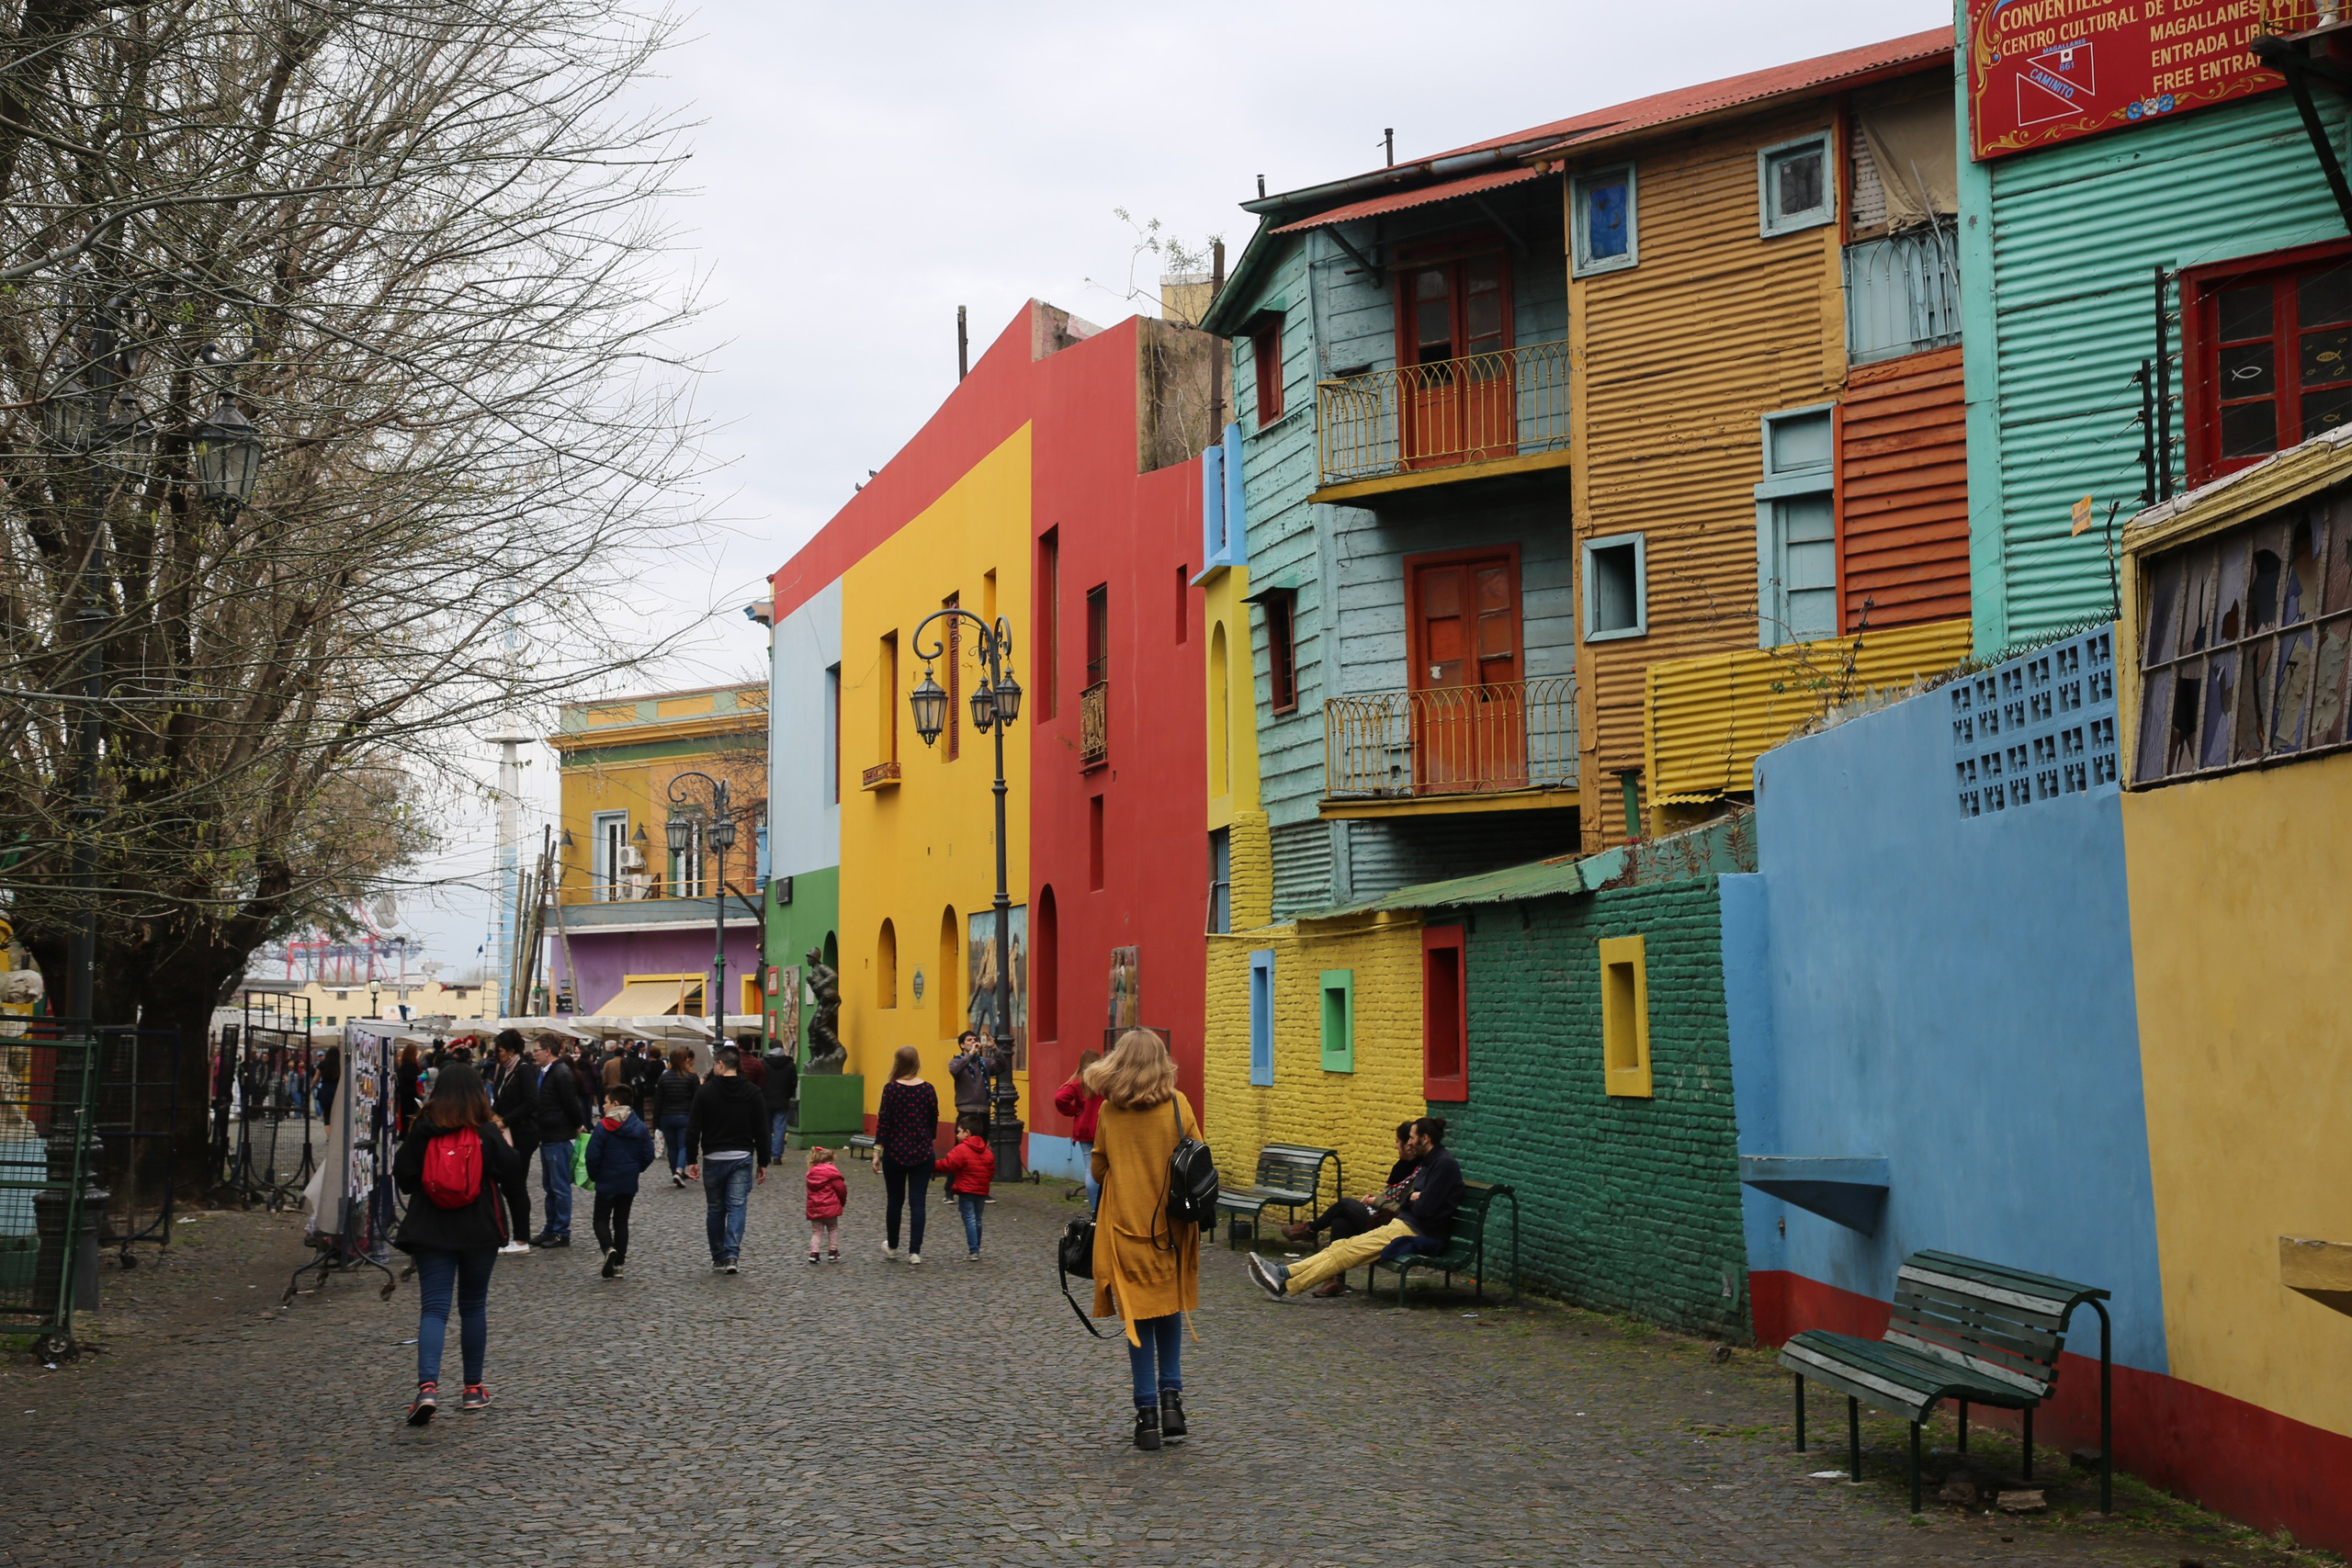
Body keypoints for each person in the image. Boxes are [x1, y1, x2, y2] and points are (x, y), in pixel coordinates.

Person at [1087, 1028, 1201, 1451]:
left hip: (1125, 1229)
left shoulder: (1109, 1112)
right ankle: (1173, 1404)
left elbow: (1098, 1170)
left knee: (1138, 1318)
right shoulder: (1178, 1105)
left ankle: (1146, 1417)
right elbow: (1198, 1157)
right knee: (1168, 1308)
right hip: (1170, 1231)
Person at [390, 1062, 519, 1424]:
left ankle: (427, 1388)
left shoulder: (424, 1130)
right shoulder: (485, 1131)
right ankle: (473, 1390)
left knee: (434, 1309)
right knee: (473, 1307)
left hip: (431, 1229)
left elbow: (403, 1177)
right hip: (479, 1228)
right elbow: (512, 1169)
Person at [1249, 1117, 1464, 1302]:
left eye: (1412, 1137)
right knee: (1339, 1246)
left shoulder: (1443, 1165)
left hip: (1416, 1231)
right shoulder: (1430, 1162)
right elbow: (1411, 1200)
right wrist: (1413, 1199)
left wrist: (1415, 1199)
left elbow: (1425, 1209)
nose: (1409, 1142)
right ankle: (1283, 1272)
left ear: (1425, 1139)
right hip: (1404, 1225)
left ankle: (1285, 1286)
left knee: (1346, 1253)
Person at [1280, 1120, 1423, 1297]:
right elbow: (1391, 1195)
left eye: (1398, 1141)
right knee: (1341, 1221)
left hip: (1393, 1225)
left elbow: (1402, 1208)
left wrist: (1375, 1201)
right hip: (1382, 1217)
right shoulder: (1402, 1167)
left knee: (1345, 1204)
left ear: (1409, 1144)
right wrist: (1377, 1199)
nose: (1396, 1146)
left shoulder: (1421, 1173)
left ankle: (1310, 1230)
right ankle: (1334, 1281)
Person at [684, 1044, 769, 1273]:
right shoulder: (752, 1092)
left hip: (713, 1157)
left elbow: (693, 1128)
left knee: (715, 1208)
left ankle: (718, 1255)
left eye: (714, 1064)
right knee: (737, 1207)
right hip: (741, 1156)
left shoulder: (705, 1092)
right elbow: (762, 1128)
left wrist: (691, 1159)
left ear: (720, 1065)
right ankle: (732, 1255)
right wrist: (764, 1161)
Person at [871, 1045, 938, 1264]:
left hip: (896, 1152)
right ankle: (915, 1252)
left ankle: (892, 1246)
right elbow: (933, 1120)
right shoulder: (928, 1089)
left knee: (895, 1201)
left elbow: (884, 1122)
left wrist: (877, 1151)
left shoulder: (891, 1089)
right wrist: (927, 1139)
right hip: (922, 1151)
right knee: (918, 1202)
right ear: (916, 1062)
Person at [583, 1083, 657, 1279]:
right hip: (628, 1182)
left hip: (606, 1181)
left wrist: (594, 1175)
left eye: (606, 1103)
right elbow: (648, 1154)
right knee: (621, 1221)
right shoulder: (639, 1126)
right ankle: (619, 1264)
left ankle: (608, 1248)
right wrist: (635, 1169)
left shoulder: (603, 1127)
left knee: (600, 1219)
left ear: (615, 1103)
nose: (603, 1107)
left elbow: (592, 1156)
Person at [528, 1037, 585, 1247]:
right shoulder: (546, 1072)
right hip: (547, 1135)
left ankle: (561, 1231)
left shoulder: (560, 1073)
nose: (534, 1053)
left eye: (537, 1050)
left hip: (558, 1135)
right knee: (550, 1186)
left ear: (549, 1051)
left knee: (559, 1187)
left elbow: (571, 1103)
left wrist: (577, 1125)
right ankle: (550, 1228)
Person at [487, 1033, 537, 1257]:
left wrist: (505, 1120)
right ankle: (511, 1236)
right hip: (508, 1133)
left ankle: (521, 1238)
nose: (495, 1054)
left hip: (522, 1134)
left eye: (498, 1050)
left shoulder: (523, 1069)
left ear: (510, 1050)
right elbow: (499, 1099)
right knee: (508, 1185)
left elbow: (531, 1102)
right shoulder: (504, 1070)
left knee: (516, 1185)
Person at [936, 1111, 995, 1261]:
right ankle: (977, 1248)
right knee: (978, 1219)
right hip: (981, 1191)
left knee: (969, 1218)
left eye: (959, 1132)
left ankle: (973, 1250)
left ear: (967, 1133)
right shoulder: (987, 1152)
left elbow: (948, 1164)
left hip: (966, 1191)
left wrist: (931, 1166)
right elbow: (991, 1171)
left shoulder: (961, 1150)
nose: (957, 1135)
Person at [1051, 1049, 1103, 1208]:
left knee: (1090, 1169)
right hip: (1104, 1128)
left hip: (1085, 1130)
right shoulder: (1105, 1080)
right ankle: (1105, 1207)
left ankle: (1095, 1209)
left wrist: (1074, 1111)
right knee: (1107, 1168)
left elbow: (1060, 1097)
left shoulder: (1078, 1081)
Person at [652, 1046, 699, 1185]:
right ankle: (679, 1170)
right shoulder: (691, 1077)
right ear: (685, 1060)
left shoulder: (663, 1078)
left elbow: (658, 1102)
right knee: (683, 1145)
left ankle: (675, 1173)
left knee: (672, 1147)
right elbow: (697, 1099)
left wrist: (656, 1122)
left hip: (666, 1116)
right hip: (685, 1116)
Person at [804, 1145, 847, 1264]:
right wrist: (842, 1202)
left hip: (815, 1209)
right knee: (833, 1229)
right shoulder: (833, 1175)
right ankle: (832, 1252)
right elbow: (841, 1190)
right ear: (829, 1162)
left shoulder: (811, 1175)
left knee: (816, 1231)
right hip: (831, 1209)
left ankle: (814, 1253)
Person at [761, 1036, 797, 1161]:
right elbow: (793, 1082)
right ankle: (777, 1155)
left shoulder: (763, 1063)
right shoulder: (790, 1064)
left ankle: (767, 1154)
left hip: (765, 1100)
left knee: (766, 1128)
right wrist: (788, 1094)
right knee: (780, 1128)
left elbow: (759, 1081)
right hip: (782, 1100)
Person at [947, 1030, 991, 1129]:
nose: (973, 1041)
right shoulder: (956, 1061)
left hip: (984, 1110)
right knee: (963, 1142)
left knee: (981, 1142)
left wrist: (994, 1047)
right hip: (966, 1111)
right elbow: (955, 1070)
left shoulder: (984, 1062)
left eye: (975, 1039)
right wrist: (970, 1054)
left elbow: (1002, 1066)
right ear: (962, 1045)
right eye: (969, 1040)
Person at [393, 1043, 424, 1135]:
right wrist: (417, 1077)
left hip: (411, 1091)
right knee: (409, 1111)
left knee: (410, 1111)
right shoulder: (408, 1063)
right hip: (409, 1092)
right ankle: (406, 1131)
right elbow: (407, 1077)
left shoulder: (410, 1062)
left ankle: (407, 1130)